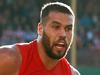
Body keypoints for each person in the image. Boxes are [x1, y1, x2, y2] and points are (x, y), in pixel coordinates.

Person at [0, 2, 80, 75]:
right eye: (56, 27)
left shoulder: (71, 73)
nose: (63, 34)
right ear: (40, 29)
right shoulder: (8, 58)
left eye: (68, 29)